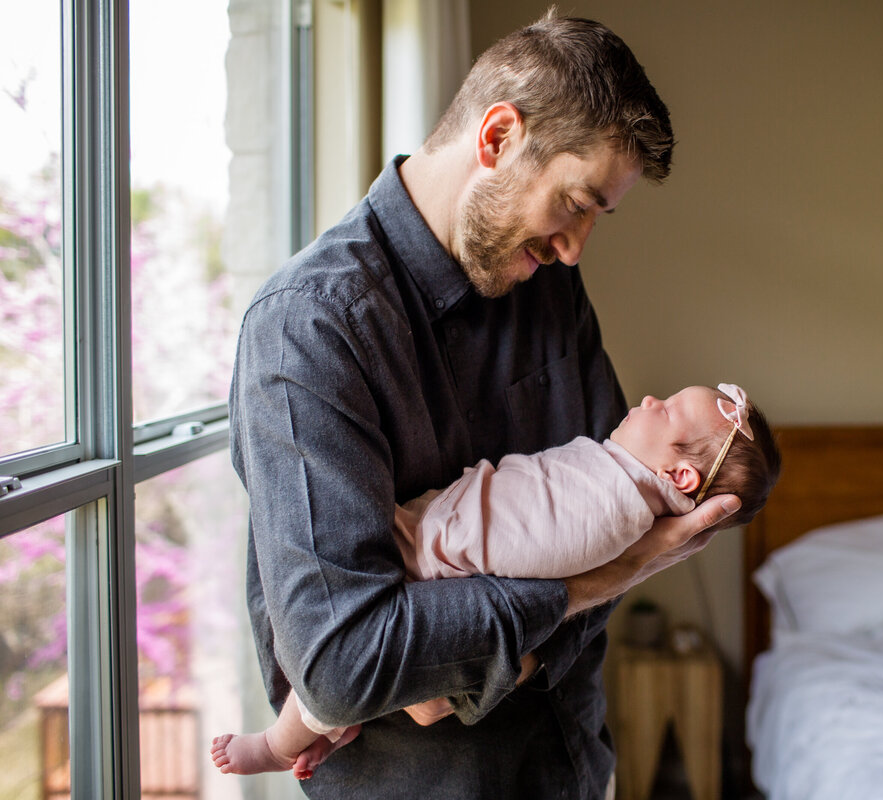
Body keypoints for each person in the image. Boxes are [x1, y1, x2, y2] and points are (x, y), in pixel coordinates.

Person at [226, 9, 742, 799]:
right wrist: (599, 581)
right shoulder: (309, 330)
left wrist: (468, 656)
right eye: (575, 202)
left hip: (572, 763)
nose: (574, 247)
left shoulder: (547, 286)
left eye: (597, 217)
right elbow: (341, 667)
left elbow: (627, 503)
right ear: (497, 137)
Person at [213, 384, 781, 780]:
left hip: (431, 567)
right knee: (343, 667)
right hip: (436, 534)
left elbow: (525, 550)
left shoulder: (615, 510)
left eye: (668, 411)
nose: (652, 399)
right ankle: (339, 729)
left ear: (679, 475)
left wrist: (430, 540)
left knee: (326, 674)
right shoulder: (618, 482)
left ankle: (275, 745)